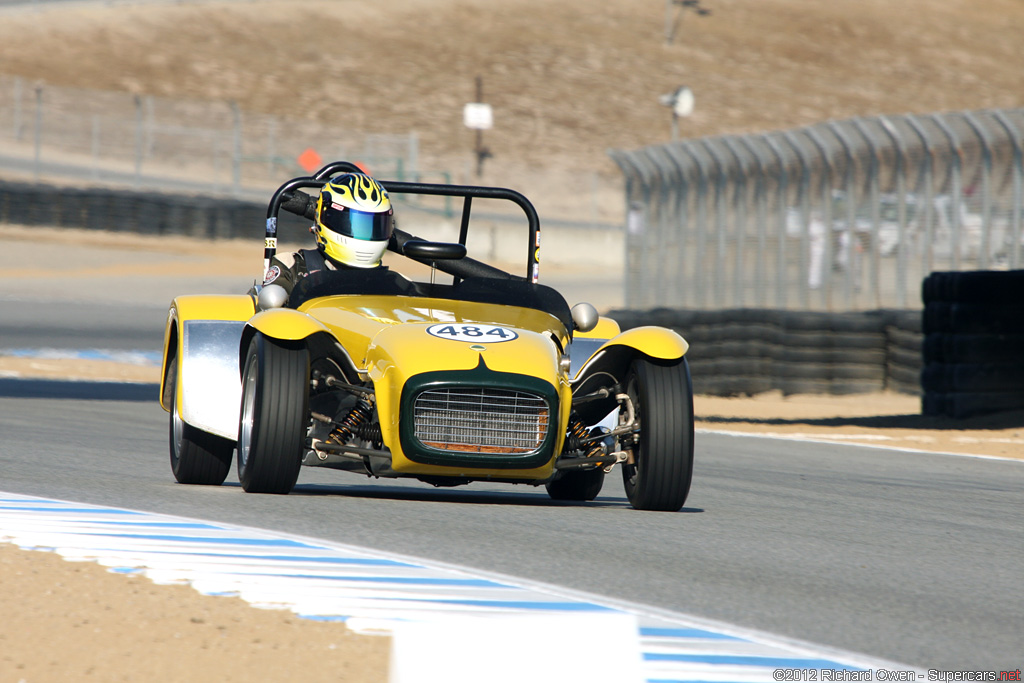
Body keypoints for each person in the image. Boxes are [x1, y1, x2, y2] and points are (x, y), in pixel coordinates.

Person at [262, 172, 396, 296]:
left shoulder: (394, 283)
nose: (364, 234)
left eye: (372, 226)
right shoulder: (291, 267)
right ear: (326, 216)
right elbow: (268, 308)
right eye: (356, 225)